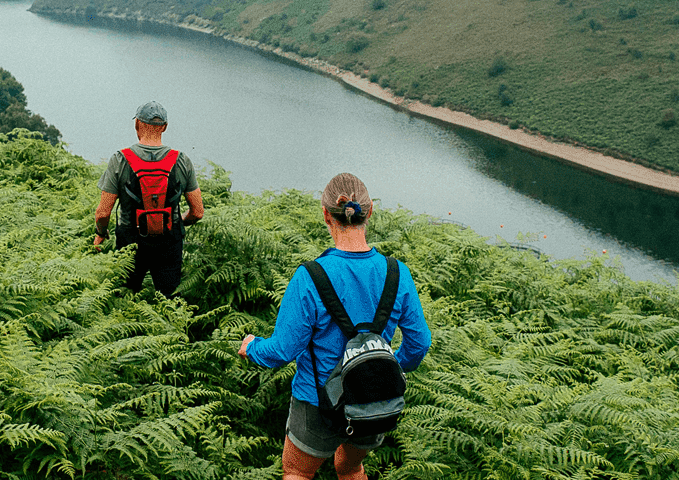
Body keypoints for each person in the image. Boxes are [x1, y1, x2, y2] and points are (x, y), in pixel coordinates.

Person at [239, 173, 430, 480]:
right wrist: (385, 371)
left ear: (326, 214)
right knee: (350, 467)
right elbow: (419, 344)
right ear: (369, 212)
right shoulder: (397, 273)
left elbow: (283, 350)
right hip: (373, 404)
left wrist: (252, 347)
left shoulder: (310, 277)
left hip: (316, 402)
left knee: (297, 473)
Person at [93, 101, 204, 297]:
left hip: (130, 242)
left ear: (136, 124)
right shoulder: (182, 160)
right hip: (170, 241)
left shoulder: (120, 159)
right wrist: (178, 221)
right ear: (165, 127)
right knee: (170, 301)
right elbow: (198, 211)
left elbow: (103, 213)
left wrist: (100, 233)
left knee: (124, 299)